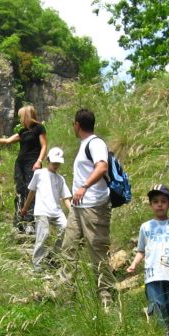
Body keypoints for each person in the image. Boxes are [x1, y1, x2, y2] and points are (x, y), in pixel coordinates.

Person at [62, 108, 113, 305]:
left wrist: (84, 186)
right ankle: (66, 295)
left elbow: (102, 166)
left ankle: (106, 297)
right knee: (68, 248)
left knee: (97, 251)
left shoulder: (96, 143)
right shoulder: (86, 144)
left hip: (94, 207)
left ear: (77, 125)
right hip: (78, 207)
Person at [126, 184, 169, 332]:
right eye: (155, 201)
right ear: (150, 205)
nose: (160, 204)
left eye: (163, 201)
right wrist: (134, 264)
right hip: (153, 274)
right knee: (157, 304)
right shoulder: (146, 227)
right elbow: (141, 250)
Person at [0, 105, 48, 232]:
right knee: (20, 190)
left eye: (21, 116)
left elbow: (44, 146)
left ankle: (30, 222)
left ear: (26, 115)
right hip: (20, 163)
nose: (20, 118)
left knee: (31, 191)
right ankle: (18, 222)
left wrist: (39, 161)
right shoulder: (22, 131)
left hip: (33, 163)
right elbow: (7, 141)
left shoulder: (39, 128)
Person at [20, 147, 71, 270]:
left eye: (58, 163)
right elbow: (31, 192)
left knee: (66, 228)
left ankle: (53, 255)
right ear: (48, 160)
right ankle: (36, 264)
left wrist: (73, 212)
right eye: (54, 162)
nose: (56, 165)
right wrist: (25, 208)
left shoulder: (61, 179)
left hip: (57, 211)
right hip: (42, 210)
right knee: (43, 235)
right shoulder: (39, 173)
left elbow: (66, 198)